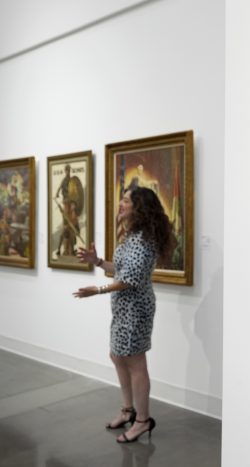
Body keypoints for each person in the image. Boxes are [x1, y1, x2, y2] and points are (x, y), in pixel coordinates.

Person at [73, 187, 175, 443]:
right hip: (122, 308)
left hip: (136, 309)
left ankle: (143, 421)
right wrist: (97, 261)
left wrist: (97, 290)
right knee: (117, 356)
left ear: (138, 207)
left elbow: (129, 280)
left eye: (126, 200)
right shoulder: (132, 236)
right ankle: (128, 410)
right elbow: (120, 269)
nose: (121, 203)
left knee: (135, 362)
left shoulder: (145, 240)